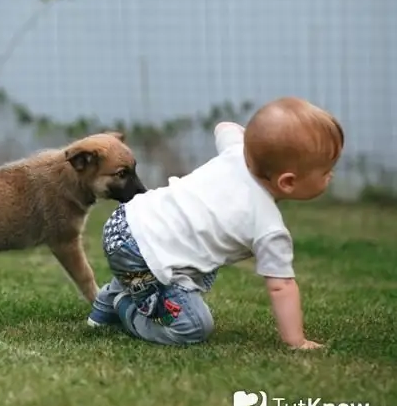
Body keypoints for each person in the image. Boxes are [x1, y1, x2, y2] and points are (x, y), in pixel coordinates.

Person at [87, 96, 344, 349]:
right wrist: (296, 340)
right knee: (193, 327)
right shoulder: (268, 228)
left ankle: (102, 311)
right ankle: (124, 305)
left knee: (152, 265)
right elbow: (281, 286)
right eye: (325, 171)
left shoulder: (235, 152)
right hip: (143, 251)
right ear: (287, 182)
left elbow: (225, 127)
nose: (330, 175)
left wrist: (258, 140)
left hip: (126, 220)